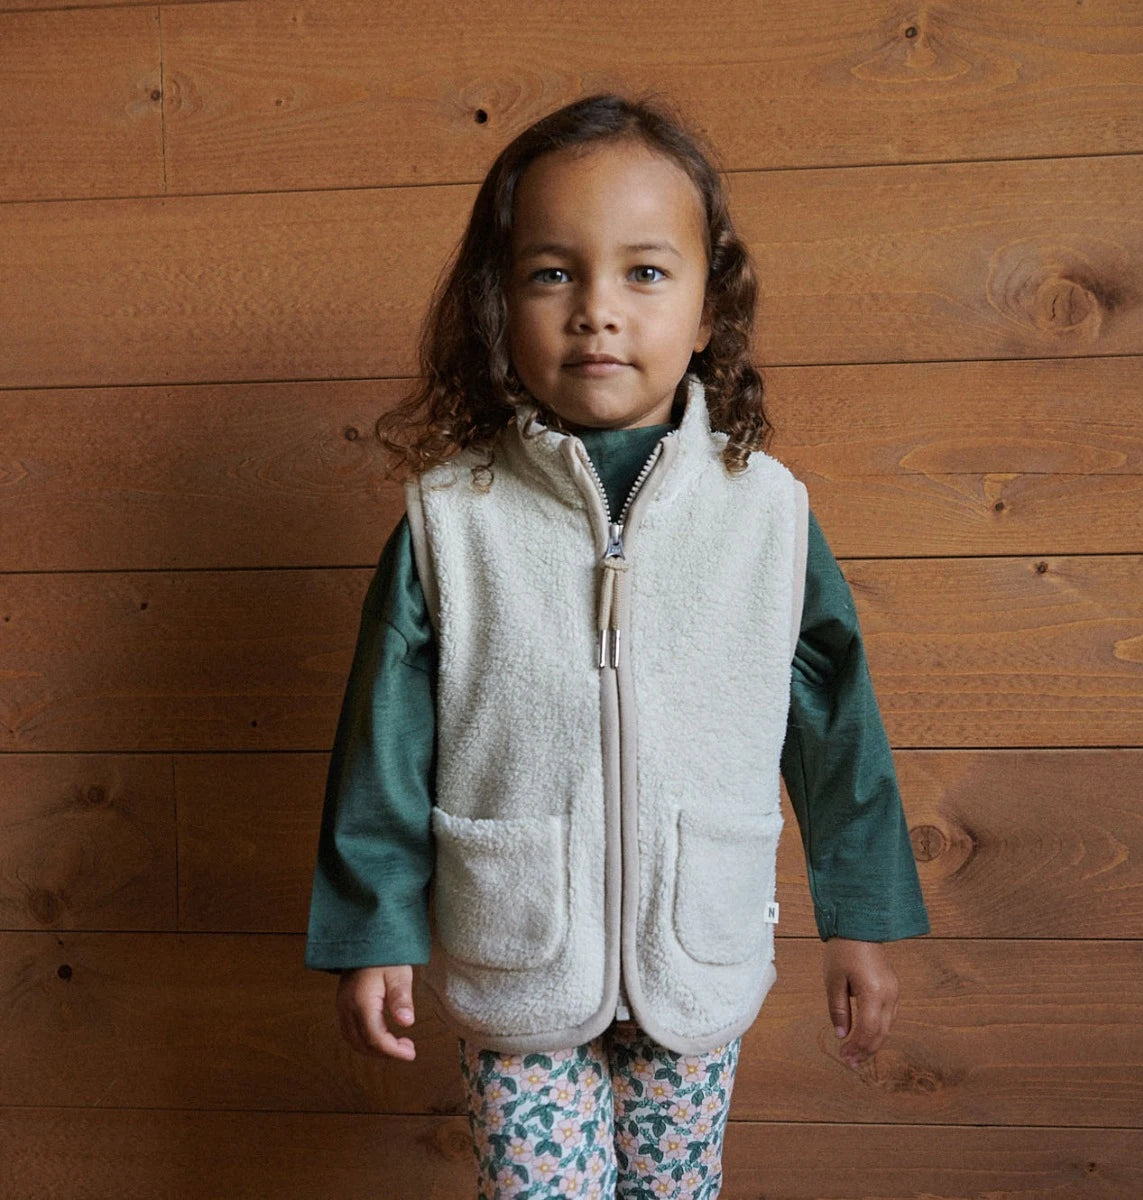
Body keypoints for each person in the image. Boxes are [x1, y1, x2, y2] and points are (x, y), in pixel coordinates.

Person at [305, 92, 929, 1199]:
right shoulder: (456, 519)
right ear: (500, 305)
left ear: (706, 310)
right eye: (553, 273)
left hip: (699, 948)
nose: (598, 310)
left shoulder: (768, 517)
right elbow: (384, 748)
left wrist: (861, 923)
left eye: (644, 273)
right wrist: (373, 929)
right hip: (521, 954)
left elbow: (838, 730)